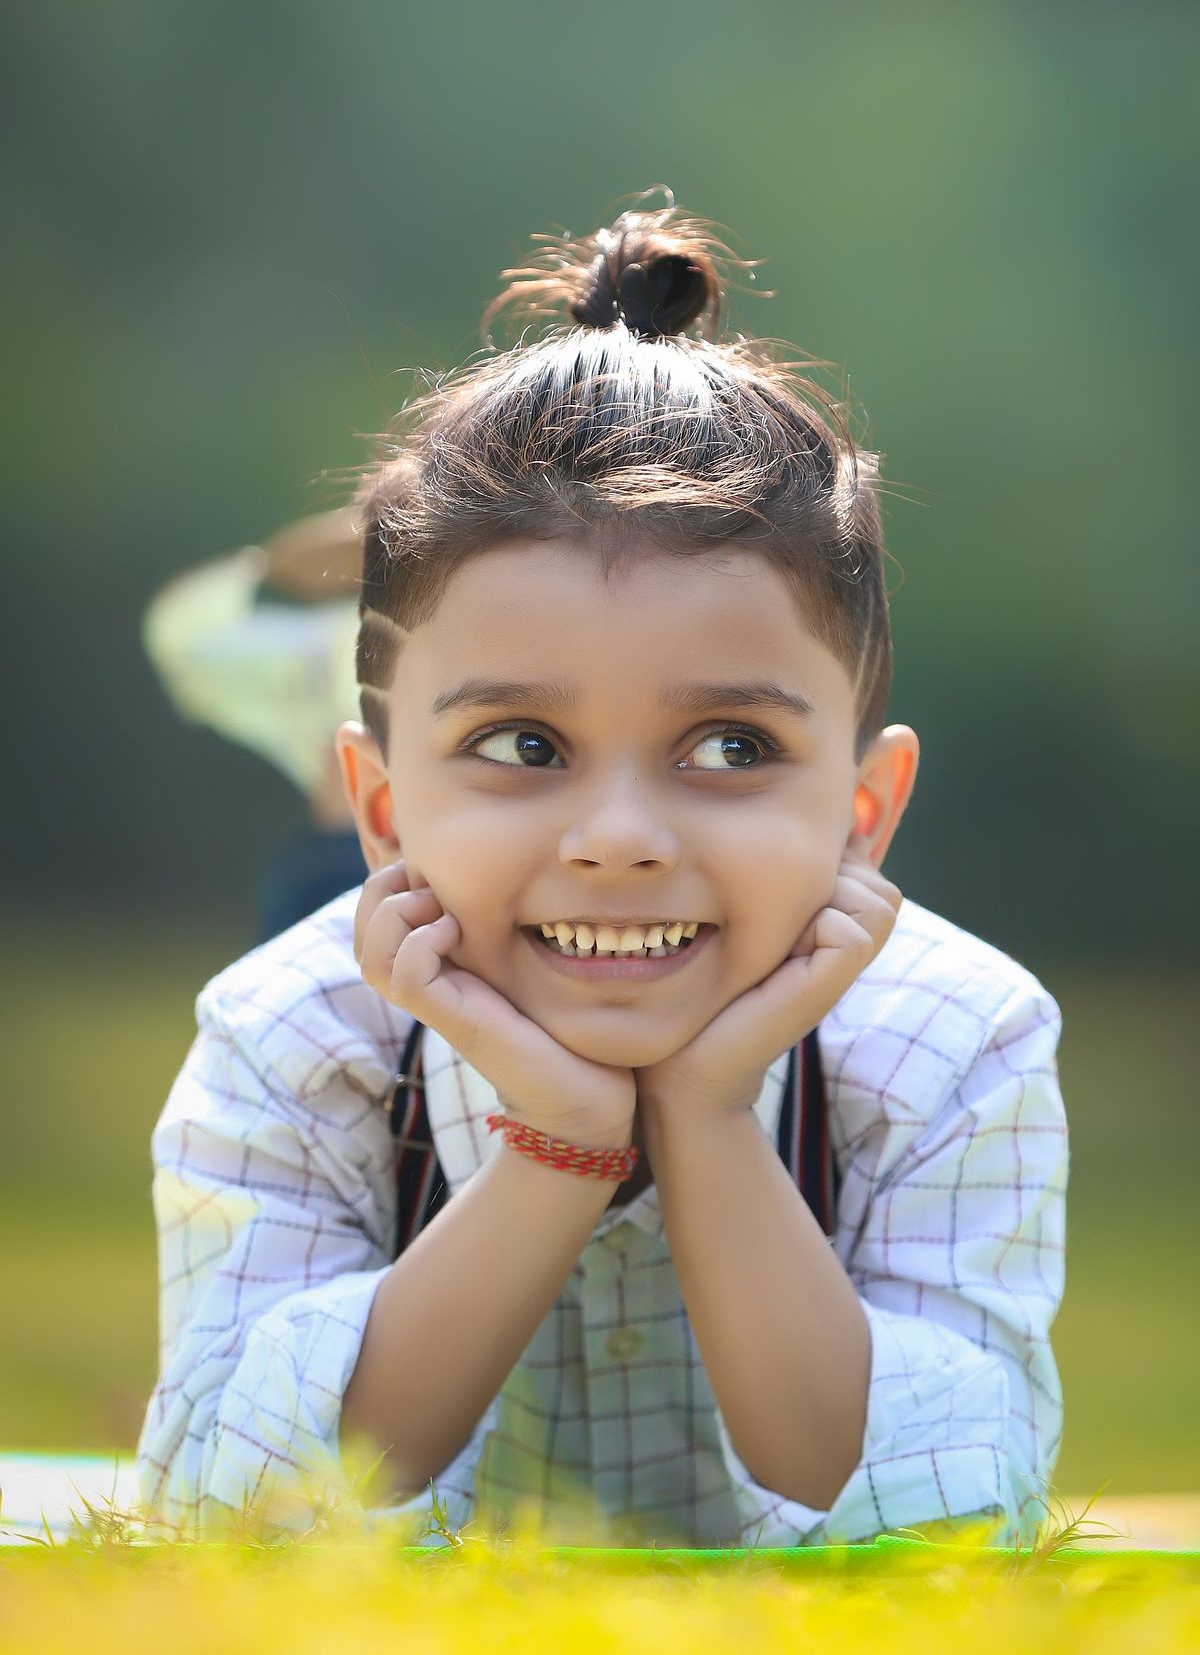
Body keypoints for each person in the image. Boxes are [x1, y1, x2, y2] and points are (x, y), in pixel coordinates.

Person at [136, 194, 1069, 1552]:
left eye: (731, 745)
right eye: (525, 742)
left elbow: (949, 1515)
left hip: (526, 909)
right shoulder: (289, 1039)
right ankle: (356, 737)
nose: (620, 835)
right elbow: (241, 1514)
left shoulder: (954, 1040)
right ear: (388, 809)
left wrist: (708, 1118)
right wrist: (558, 1147)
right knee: (342, 931)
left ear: (863, 811)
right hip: (417, 941)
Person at [141, 506, 368, 939]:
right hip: (327, 874)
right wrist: (369, 534)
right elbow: (180, 633)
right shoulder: (321, 643)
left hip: (433, 873)